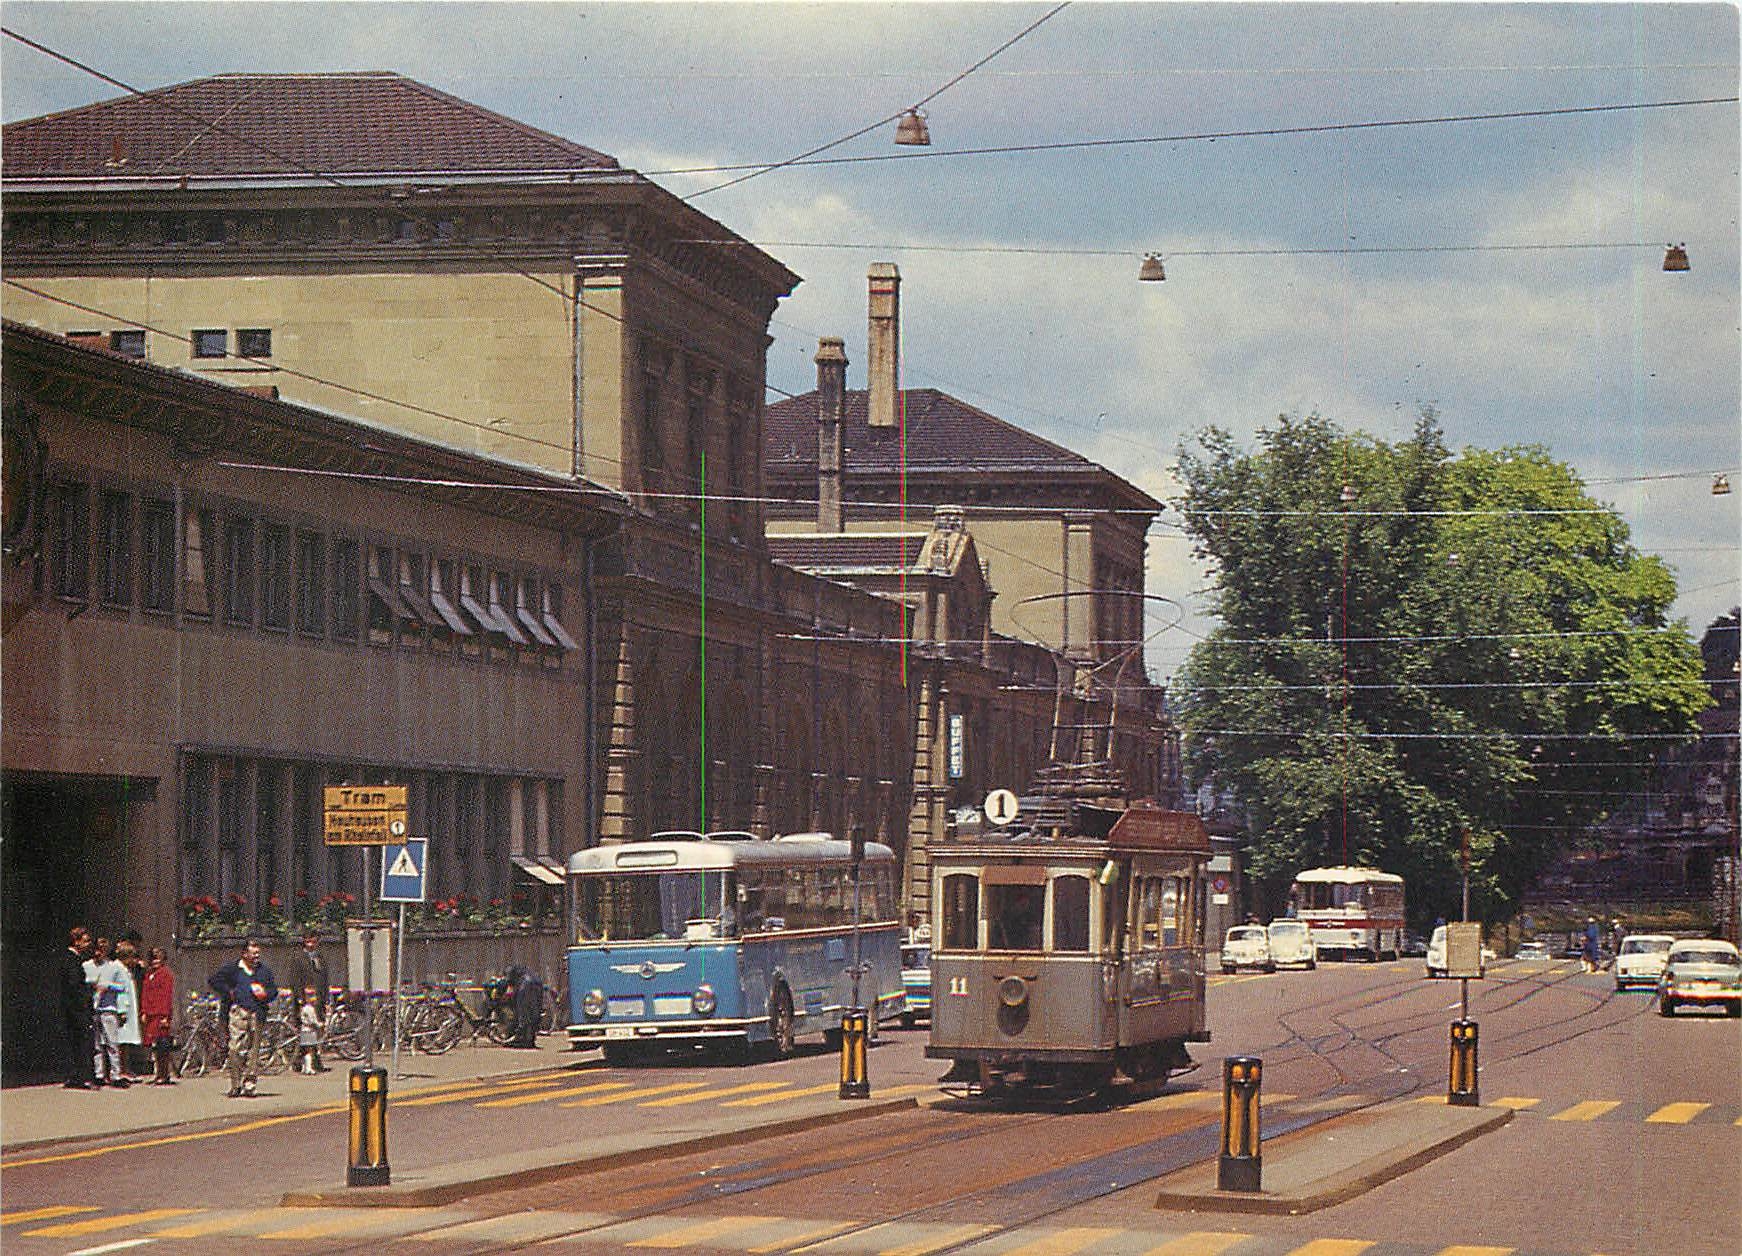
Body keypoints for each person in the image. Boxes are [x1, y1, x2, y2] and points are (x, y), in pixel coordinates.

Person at [208, 939, 277, 1098]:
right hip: (238, 1012)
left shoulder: (263, 971)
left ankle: (250, 1083)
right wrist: (229, 992)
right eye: (253, 954)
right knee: (235, 1048)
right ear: (244, 954)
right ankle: (235, 1083)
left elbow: (273, 990)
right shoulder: (233, 969)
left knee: (254, 1050)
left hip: (257, 1013)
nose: (256, 957)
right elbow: (214, 980)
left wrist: (265, 994)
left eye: (258, 954)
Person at [87, 937, 131, 1087]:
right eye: (96, 950)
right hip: (93, 1008)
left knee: (112, 1043)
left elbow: (123, 987)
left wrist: (108, 986)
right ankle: (99, 1074)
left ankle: (116, 1074)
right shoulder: (87, 966)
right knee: (96, 1044)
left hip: (108, 1008)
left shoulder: (113, 967)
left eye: (102, 950)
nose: (98, 953)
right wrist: (91, 984)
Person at [284, 929, 330, 1072]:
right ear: (304, 941)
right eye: (308, 940)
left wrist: (325, 998)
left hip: (319, 999)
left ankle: (316, 1060)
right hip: (305, 999)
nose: (311, 944)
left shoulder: (320, 957)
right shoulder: (298, 958)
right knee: (305, 1032)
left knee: (317, 1032)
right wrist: (300, 998)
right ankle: (302, 1060)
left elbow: (324, 978)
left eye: (314, 941)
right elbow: (294, 980)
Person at [57, 926, 97, 1089]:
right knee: (81, 1042)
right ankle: (81, 1076)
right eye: (86, 941)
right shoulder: (72, 960)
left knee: (75, 1042)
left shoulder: (69, 958)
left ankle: (75, 1075)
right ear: (76, 941)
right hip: (76, 1009)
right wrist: (90, 989)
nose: (88, 944)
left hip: (71, 1008)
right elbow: (74, 985)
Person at [140, 946, 176, 1085]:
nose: (155, 961)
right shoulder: (149, 974)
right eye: (153, 958)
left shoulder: (166, 974)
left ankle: (164, 1074)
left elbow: (166, 996)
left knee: (162, 1045)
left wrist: (165, 1016)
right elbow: (145, 993)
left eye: (158, 959)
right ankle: (158, 1073)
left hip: (160, 1013)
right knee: (154, 1045)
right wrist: (144, 1011)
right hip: (150, 1013)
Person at [113, 939, 145, 1079]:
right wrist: (122, 1011)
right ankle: (121, 1069)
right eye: (133, 957)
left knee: (125, 1041)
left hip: (128, 1009)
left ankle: (126, 1068)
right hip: (123, 1010)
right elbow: (119, 991)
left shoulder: (126, 969)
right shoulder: (117, 969)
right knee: (121, 1041)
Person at [505, 964, 543, 1049]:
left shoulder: (513, 974)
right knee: (535, 1013)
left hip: (526, 985)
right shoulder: (527, 971)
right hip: (537, 984)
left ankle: (523, 1040)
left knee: (523, 1014)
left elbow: (510, 990)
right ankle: (530, 1040)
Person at [297, 986, 322, 1074]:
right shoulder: (310, 1009)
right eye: (311, 996)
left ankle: (304, 1067)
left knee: (305, 1050)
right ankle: (309, 1068)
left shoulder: (303, 1008)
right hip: (310, 1031)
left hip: (304, 1030)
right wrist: (319, 1025)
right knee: (310, 1051)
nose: (314, 998)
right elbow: (313, 1021)